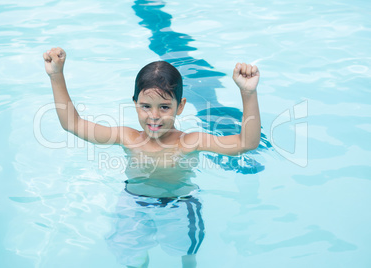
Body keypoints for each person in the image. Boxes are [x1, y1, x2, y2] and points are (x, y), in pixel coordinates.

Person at [43, 47, 261, 268]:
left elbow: (246, 143)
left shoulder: (190, 142)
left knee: (185, 251)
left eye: (164, 107)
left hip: (179, 205)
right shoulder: (126, 137)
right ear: (135, 102)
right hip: (134, 203)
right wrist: (56, 75)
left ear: (181, 106)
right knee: (129, 254)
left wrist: (248, 93)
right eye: (146, 106)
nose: (154, 116)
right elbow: (73, 124)